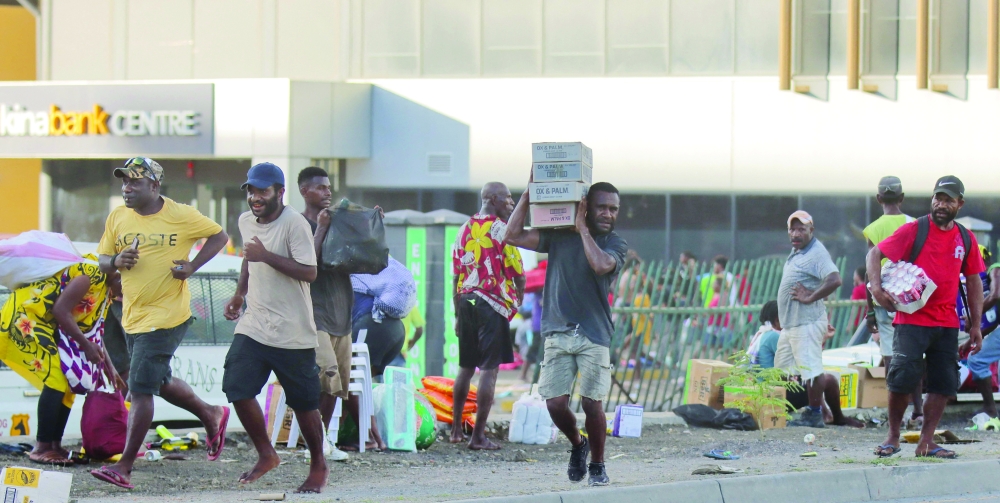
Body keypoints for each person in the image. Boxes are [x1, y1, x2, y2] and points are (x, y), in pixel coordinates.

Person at [91, 157, 230, 490]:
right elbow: (101, 261)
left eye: (135, 182)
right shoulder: (118, 217)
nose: (127, 188)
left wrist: (192, 266)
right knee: (158, 380)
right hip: (132, 315)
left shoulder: (180, 214)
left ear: (154, 186)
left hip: (167, 316)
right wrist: (116, 261)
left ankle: (123, 467)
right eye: (124, 182)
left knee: (139, 390)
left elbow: (219, 236)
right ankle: (211, 414)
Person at [507, 176, 628, 487]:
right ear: (585, 207)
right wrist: (528, 193)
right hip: (558, 330)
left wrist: (582, 229)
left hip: (594, 333)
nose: (608, 214)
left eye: (613, 209)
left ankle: (598, 464)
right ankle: (578, 444)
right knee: (555, 404)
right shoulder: (558, 237)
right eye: (601, 207)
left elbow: (600, 266)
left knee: (592, 403)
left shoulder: (614, 244)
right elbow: (512, 235)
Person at [221, 162, 328, 492]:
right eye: (251, 191)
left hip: (293, 331)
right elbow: (248, 257)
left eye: (262, 191)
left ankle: (318, 466)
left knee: (305, 404)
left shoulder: (294, 224)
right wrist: (240, 294)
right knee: (236, 386)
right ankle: (267, 454)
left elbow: (309, 272)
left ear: (280, 193)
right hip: (255, 324)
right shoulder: (244, 220)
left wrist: (266, 255)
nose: (255, 197)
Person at [868, 175, 985, 459]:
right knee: (901, 379)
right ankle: (893, 437)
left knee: (944, 383)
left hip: (947, 322)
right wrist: (878, 289)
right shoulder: (915, 229)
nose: (941, 204)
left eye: (947, 200)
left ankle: (927, 442)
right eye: (937, 198)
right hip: (911, 320)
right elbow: (875, 254)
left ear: (960, 203)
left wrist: (976, 324)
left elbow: (973, 281)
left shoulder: (965, 238)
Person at [0, 254, 125, 465]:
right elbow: (60, 310)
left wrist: (108, 366)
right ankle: (41, 447)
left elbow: (92, 329)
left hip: (46, 324)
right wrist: (85, 347)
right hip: (26, 319)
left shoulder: (106, 291)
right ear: (122, 277)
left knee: (68, 383)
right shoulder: (91, 275)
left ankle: (54, 445)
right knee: (56, 377)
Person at [451, 181, 525, 450]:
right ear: (492, 199)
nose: (511, 203)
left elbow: (456, 275)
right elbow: (518, 272)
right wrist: (518, 299)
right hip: (491, 303)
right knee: (489, 370)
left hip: (466, 302)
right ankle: (478, 436)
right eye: (507, 199)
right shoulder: (501, 229)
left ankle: (457, 429)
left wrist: (457, 312)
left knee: (466, 367)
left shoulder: (463, 229)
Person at [298, 166, 352, 462]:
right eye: (320, 187)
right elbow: (307, 266)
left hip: (342, 312)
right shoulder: (296, 224)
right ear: (305, 191)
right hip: (314, 314)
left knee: (337, 384)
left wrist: (370, 225)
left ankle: (324, 440)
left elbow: (363, 256)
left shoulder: (339, 222)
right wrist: (320, 228)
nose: (328, 192)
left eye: (329, 187)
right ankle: (314, 444)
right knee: (325, 376)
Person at [862, 176, 923, 425]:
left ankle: (893, 413)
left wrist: (869, 310)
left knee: (890, 354)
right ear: (902, 198)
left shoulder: (873, 229)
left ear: (878, 199)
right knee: (914, 352)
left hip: (883, 296)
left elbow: (869, 270)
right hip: (911, 297)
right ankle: (918, 411)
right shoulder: (916, 224)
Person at [774, 210, 842, 428]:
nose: (796, 233)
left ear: (811, 230)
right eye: (792, 229)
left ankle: (814, 413)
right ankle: (785, 410)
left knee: (811, 370)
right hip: (791, 324)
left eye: (801, 229)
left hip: (807, 322)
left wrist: (810, 296)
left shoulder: (816, 253)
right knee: (782, 369)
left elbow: (834, 279)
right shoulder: (798, 251)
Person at [749, 301, 863, 427]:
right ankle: (836, 417)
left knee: (814, 378)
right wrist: (822, 338)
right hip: (773, 395)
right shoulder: (774, 337)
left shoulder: (764, 334)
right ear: (778, 321)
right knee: (827, 380)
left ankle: (826, 415)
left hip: (769, 391)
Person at [349, 256, 415, 451]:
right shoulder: (364, 270)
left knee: (349, 382)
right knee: (360, 384)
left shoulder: (341, 273)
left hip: (372, 325)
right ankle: (374, 438)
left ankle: (371, 439)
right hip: (394, 330)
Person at [967, 250, 1000, 417]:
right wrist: (974, 336)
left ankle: (990, 409)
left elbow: (995, 295)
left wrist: (973, 317)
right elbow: (996, 321)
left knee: (977, 360)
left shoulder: (995, 269)